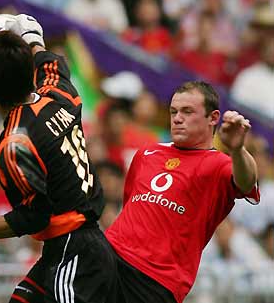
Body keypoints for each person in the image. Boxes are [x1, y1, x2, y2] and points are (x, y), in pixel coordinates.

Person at [0, 14, 117, 303]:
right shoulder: (57, 95)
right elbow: (53, 65)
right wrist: (32, 40)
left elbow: (34, 216)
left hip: (75, 255)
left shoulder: (15, 144)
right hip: (76, 246)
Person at [105, 81, 260, 303]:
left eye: (187, 112)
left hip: (154, 281)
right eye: (173, 111)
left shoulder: (220, 164)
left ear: (213, 118)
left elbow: (247, 182)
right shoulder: (147, 153)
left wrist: (237, 149)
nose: (177, 118)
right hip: (110, 256)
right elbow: (130, 205)